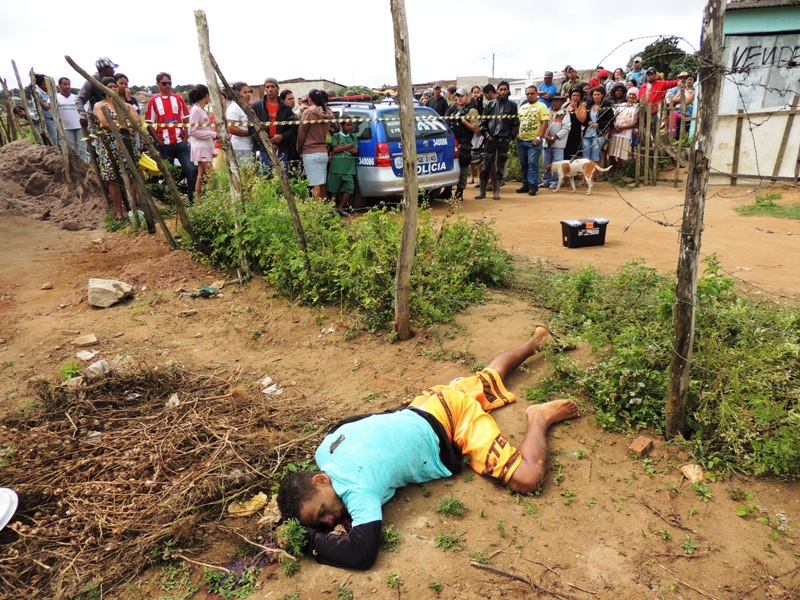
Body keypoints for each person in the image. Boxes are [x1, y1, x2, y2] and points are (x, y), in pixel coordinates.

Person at [276, 325, 580, 570]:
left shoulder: (356, 489)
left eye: (322, 512)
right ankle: (538, 340)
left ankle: (539, 418)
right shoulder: (325, 448)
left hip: (452, 422)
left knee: (527, 478)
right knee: (487, 378)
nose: (328, 521)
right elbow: (357, 421)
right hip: (426, 404)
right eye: (318, 522)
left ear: (321, 480)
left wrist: (308, 539)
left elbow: (361, 554)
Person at [93, 77, 142, 221]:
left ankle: (132, 207)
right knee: (113, 179)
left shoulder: (126, 105)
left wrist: (118, 124)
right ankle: (119, 211)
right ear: (103, 89)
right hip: (110, 147)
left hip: (128, 145)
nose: (113, 89)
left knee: (132, 175)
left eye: (114, 86)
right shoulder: (100, 105)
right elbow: (104, 123)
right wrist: (124, 125)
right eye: (109, 86)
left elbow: (137, 120)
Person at [145, 72, 198, 203]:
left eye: (169, 83)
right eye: (164, 83)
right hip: (165, 145)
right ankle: (172, 202)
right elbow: (149, 124)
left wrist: (186, 136)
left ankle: (192, 201)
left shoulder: (178, 99)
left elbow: (186, 119)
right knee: (169, 175)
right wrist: (159, 141)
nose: (168, 86)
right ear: (158, 84)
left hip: (181, 143)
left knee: (191, 170)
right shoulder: (153, 101)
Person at [477, 81, 518, 200]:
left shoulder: (512, 105)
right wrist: (487, 135)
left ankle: (496, 191)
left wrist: (509, 137)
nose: (503, 92)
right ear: (497, 90)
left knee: (500, 167)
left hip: (503, 140)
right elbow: (483, 123)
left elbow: (516, 124)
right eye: (501, 89)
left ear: (508, 91)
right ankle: (482, 192)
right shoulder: (490, 104)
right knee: (485, 166)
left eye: (505, 89)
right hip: (490, 140)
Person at [251, 77, 297, 175]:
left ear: (277, 88)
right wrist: (267, 142)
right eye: (267, 87)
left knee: (283, 176)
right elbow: (252, 128)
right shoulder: (257, 106)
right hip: (263, 149)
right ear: (264, 89)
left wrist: (282, 136)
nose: (270, 89)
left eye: (272, 86)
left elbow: (293, 128)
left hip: (281, 148)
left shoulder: (286, 108)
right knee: (266, 177)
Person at [297, 89, 334, 199]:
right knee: (322, 182)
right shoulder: (328, 112)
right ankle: (323, 207)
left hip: (310, 152)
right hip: (323, 151)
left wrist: (299, 148)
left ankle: (317, 208)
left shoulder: (308, 112)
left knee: (315, 184)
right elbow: (335, 127)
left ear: (309, 99)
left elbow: (301, 134)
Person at [445, 87, 479, 200]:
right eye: (457, 96)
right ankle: (447, 191)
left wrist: (464, 122)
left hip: (464, 143)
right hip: (454, 143)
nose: (459, 98)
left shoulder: (472, 111)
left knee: (463, 168)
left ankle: (460, 192)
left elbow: (475, 128)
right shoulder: (457, 110)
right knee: (451, 167)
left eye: (461, 96)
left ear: (467, 97)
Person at [516, 86, 550, 196]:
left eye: (532, 93)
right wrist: (517, 134)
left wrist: (539, 137)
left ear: (536, 94)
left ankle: (533, 185)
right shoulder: (522, 107)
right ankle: (525, 184)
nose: (529, 95)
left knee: (532, 163)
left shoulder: (542, 106)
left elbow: (545, 122)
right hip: (522, 140)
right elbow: (518, 122)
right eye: (527, 94)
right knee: (524, 164)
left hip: (534, 141)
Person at [187, 84, 217, 199]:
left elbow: (203, 129)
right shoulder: (196, 110)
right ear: (206, 95)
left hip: (206, 146)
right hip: (200, 147)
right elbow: (192, 131)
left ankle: (199, 202)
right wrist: (212, 134)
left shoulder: (202, 110)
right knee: (212, 176)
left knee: (201, 176)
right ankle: (209, 200)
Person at [328, 113, 358, 216]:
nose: (350, 127)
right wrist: (349, 146)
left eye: (351, 125)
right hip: (336, 167)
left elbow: (355, 151)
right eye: (347, 125)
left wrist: (343, 147)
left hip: (349, 168)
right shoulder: (336, 136)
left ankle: (340, 207)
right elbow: (335, 149)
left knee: (350, 188)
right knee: (333, 189)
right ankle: (334, 209)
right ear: (342, 125)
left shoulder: (353, 137)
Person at [582, 87, 614, 180]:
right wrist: (587, 122)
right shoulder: (588, 105)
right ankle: (585, 178)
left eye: (598, 94)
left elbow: (610, 120)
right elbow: (584, 118)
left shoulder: (607, 106)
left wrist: (599, 125)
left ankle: (593, 177)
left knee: (595, 156)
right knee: (585, 157)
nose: (596, 96)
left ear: (602, 95)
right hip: (587, 133)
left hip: (599, 134)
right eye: (594, 94)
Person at [77, 56, 117, 128]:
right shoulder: (92, 81)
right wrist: (82, 114)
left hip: (114, 116)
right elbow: (80, 99)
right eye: (111, 68)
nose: (114, 71)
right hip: (97, 118)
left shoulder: (113, 80)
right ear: (104, 69)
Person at [541, 94, 571, 189]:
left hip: (558, 142)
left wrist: (555, 137)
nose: (558, 103)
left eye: (560, 101)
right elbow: (541, 125)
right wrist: (546, 137)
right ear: (551, 102)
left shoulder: (565, 113)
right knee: (546, 163)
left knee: (557, 164)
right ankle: (545, 181)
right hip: (547, 141)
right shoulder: (546, 111)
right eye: (555, 101)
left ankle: (554, 182)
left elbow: (566, 128)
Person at [608, 87, 639, 175]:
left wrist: (623, 127)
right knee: (612, 152)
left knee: (620, 154)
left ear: (636, 96)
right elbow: (614, 117)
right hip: (615, 131)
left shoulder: (637, 107)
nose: (631, 96)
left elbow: (635, 122)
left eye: (634, 95)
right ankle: (612, 171)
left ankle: (617, 173)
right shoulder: (621, 105)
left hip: (625, 133)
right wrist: (615, 125)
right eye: (630, 94)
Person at [56, 77, 87, 161]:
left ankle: (85, 165)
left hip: (79, 126)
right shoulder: (55, 97)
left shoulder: (76, 97)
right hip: (66, 127)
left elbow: (83, 110)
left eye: (68, 84)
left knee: (82, 148)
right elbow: (49, 108)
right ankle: (76, 165)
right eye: (65, 84)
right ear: (59, 86)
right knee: (73, 149)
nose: (67, 86)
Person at [226, 82, 254, 165]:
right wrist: (250, 133)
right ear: (237, 94)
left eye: (249, 92)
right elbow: (231, 128)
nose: (248, 94)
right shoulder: (234, 108)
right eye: (245, 92)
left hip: (248, 145)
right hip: (240, 146)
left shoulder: (246, 107)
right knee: (246, 171)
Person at [33, 74, 57, 146]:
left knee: (58, 140)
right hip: (47, 119)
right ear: (43, 83)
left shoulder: (47, 93)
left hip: (54, 118)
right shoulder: (37, 93)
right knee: (53, 140)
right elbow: (46, 108)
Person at [564, 88, 587, 161]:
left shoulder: (582, 106)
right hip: (566, 129)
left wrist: (575, 109)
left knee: (574, 150)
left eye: (577, 95)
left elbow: (582, 120)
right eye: (574, 95)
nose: (575, 97)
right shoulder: (566, 104)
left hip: (576, 129)